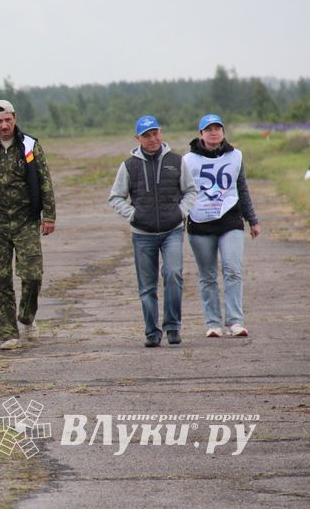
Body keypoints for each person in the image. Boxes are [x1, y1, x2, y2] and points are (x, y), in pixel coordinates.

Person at [0, 100, 56, 350]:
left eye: (7, 120)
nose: (4, 125)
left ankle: (27, 317)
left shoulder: (29, 145)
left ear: (15, 118)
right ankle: (8, 333)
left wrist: (49, 216)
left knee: (32, 275)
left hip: (26, 221)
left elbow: (45, 181)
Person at [109, 116, 198, 347]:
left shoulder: (177, 161)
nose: (152, 139)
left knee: (173, 274)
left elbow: (191, 191)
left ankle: (173, 327)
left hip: (172, 230)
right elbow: (116, 197)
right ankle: (151, 331)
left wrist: (181, 212)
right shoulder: (129, 165)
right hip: (142, 234)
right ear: (137, 138)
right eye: (146, 135)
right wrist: (133, 215)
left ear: (161, 133)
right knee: (147, 286)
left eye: (155, 133)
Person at [183, 114, 260, 338]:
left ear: (223, 132)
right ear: (201, 135)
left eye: (218, 128)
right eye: (209, 129)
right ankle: (213, 322)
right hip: (200, 222)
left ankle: (235, 321)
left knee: (232, 269)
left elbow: (242, 189)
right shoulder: (188, 161)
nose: (214, 132)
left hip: (230, 219)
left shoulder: (235, 156)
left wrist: (252, 220)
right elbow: (183, 192)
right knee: (207, 275)